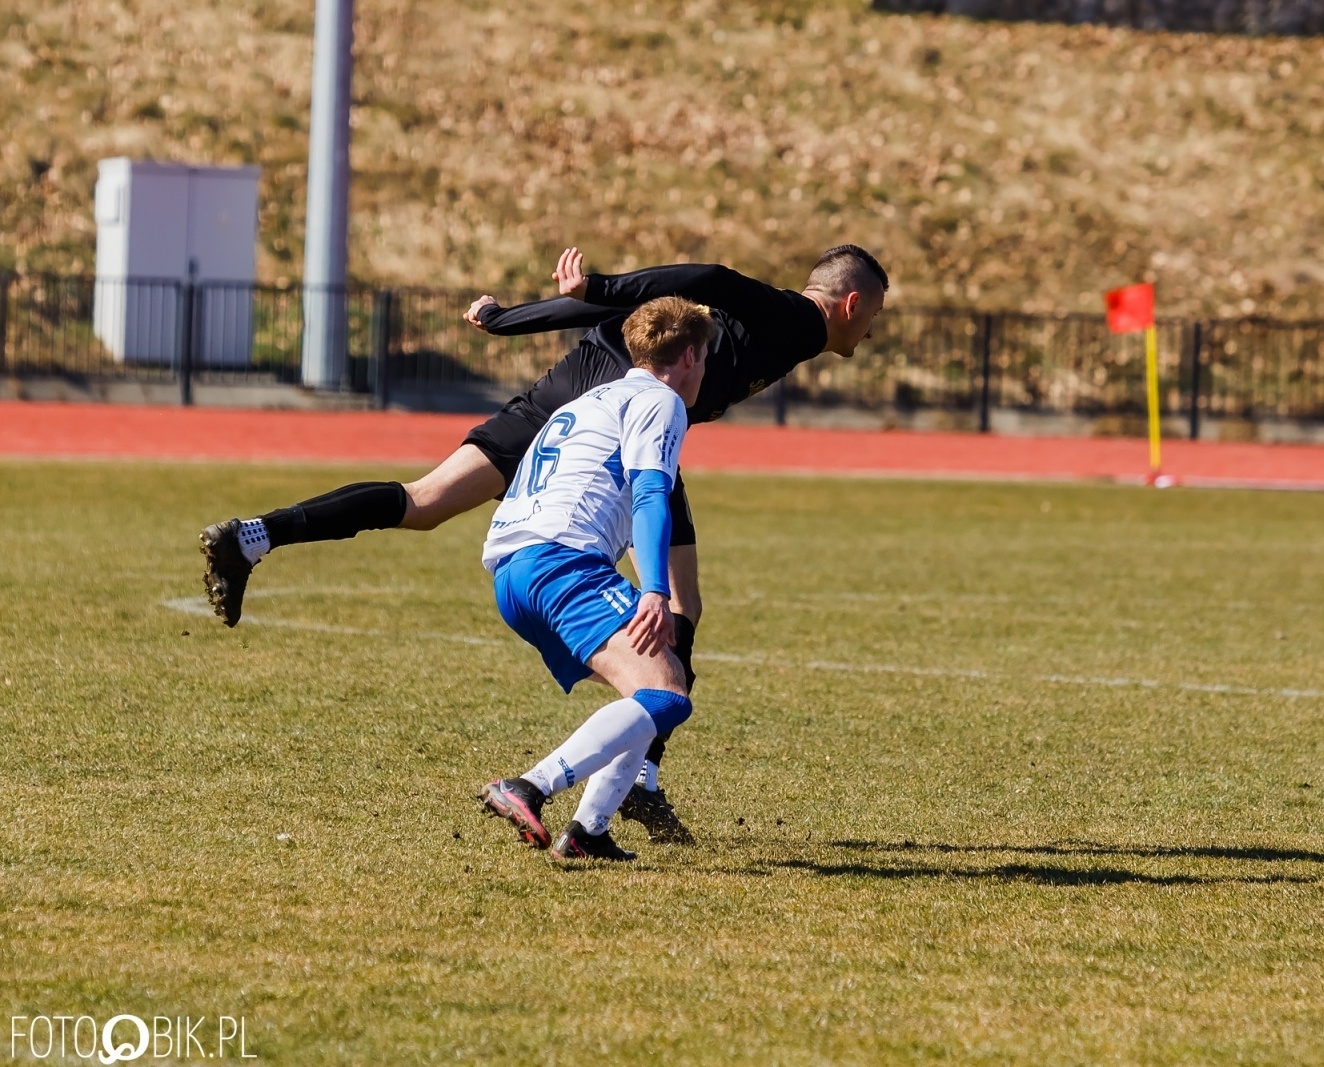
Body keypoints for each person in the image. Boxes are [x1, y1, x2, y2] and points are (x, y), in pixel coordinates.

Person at [198, 243, 888, 842]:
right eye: (875, 315)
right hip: (623, 420)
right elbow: (707, 277)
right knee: (673, 598)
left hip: (580, 394)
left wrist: (512, 319)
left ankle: (253, 536)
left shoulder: (722, 335)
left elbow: (631, 321)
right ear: (851, 302)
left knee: (425, 502)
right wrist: (600, 288)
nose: (870, 331)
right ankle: (635, 775)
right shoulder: (801, 321)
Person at [478, 295, 708, 861]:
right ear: (689, 356)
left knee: (656, 681)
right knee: (665, 695)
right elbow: (653, 492)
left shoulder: (590, 400)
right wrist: (655, 589)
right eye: (706, 361)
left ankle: (588, 832)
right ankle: (530, 786)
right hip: (562, 563)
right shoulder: (660, 400)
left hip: (513, 570)